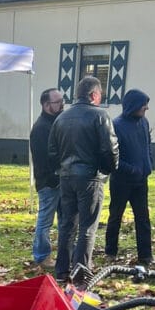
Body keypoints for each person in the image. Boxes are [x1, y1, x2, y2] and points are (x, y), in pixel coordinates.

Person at [48, 76, 119, 284]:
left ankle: (62, 272)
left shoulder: (61, 118)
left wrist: (61, 169)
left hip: (67, 176)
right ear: (94, 95)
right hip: (90, 176)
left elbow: (52, 150)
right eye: (100, 95)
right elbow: (110, 148)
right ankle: (80, 275)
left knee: (67, 225)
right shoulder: (100, 115)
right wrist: (107, 169)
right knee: (87, 227)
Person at [104, 88, 155, 266]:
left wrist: (148, 163)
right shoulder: (116, 125)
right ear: (134, 105)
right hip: (121, 181)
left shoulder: (144, 122)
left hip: (141, 180)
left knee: (143, 217)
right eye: (143, 105)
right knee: (115, 216)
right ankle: (110, 251)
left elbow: (147, 144)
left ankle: (146, 255)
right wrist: (131, 170)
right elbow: (112, 156)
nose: (146, 108)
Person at [29, 88, 64, 268]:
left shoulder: (57, 122)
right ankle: (42, 256)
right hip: (49, 182)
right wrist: (52, 178)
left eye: (62, 100)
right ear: (46, 105)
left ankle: (63, 254)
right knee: (45, 221)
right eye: (57, 102)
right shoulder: (41, 128)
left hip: (60, 179)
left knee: (65, 219)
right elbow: (43, 159)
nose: (62, 104)